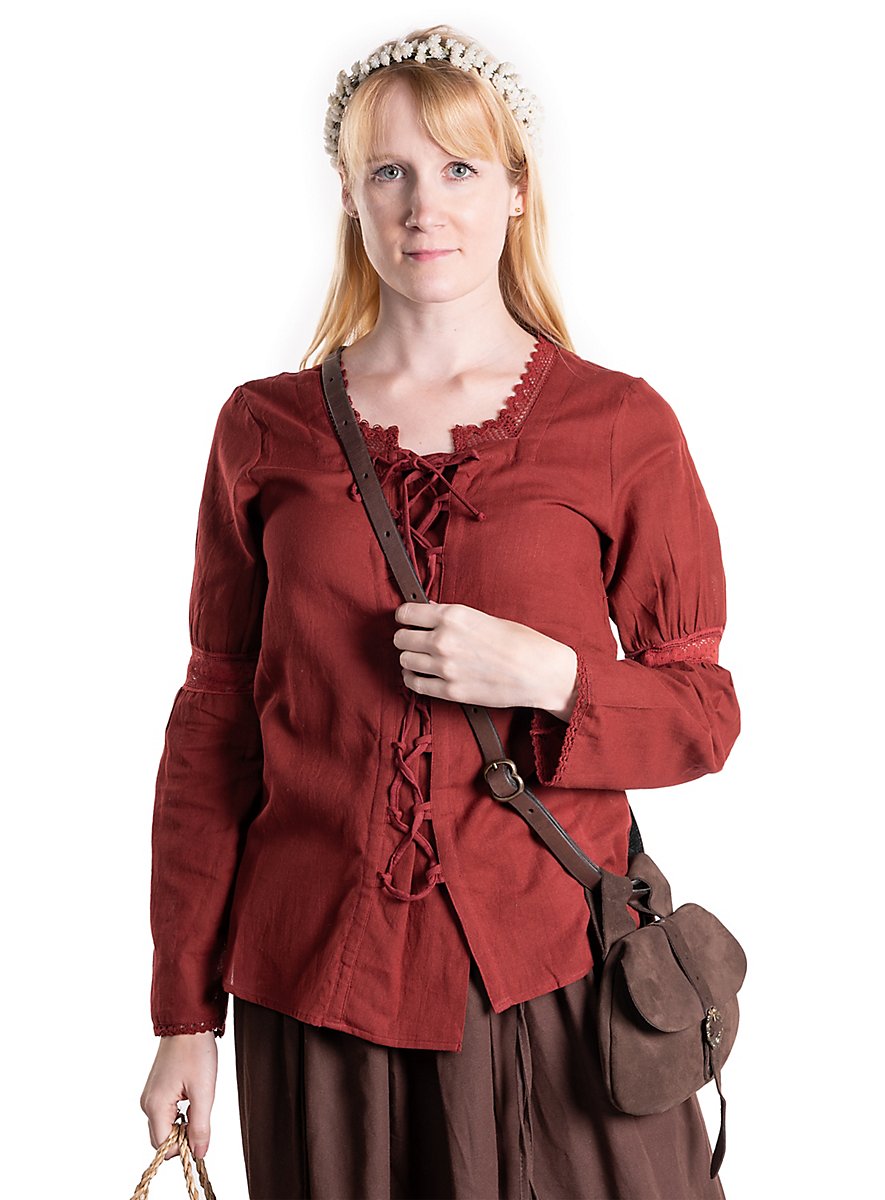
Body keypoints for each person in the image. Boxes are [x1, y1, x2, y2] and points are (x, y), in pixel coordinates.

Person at [140, 23, 741, 1200]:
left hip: (559, 979)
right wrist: (183, 1016)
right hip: (318, 993)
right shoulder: (263, 429)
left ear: (515, 187)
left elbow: (703, 713)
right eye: (390, 171)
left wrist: (550, 677)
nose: (426, 207)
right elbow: (214, 726)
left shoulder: (621, 425)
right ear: (349, 194)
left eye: (460, 168)